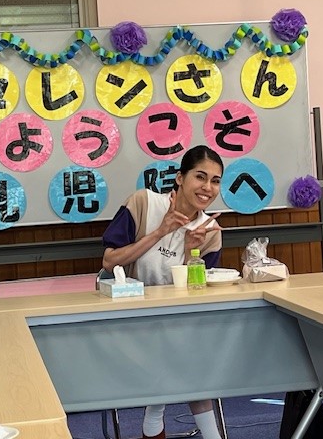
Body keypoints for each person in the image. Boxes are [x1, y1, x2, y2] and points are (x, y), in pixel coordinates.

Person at [102, 145, 223, 439]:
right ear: (180, 178)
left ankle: (154, 420)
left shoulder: (210, 231)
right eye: (200, 177)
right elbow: (110, 261)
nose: (207, 188)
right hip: (130, 317)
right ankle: (166, 423)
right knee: (186, 353)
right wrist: (160, 231)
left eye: (215, 181)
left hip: (176, 321)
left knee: (185, 347)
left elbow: (196, 294)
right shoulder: (143, 203)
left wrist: (192, 251)